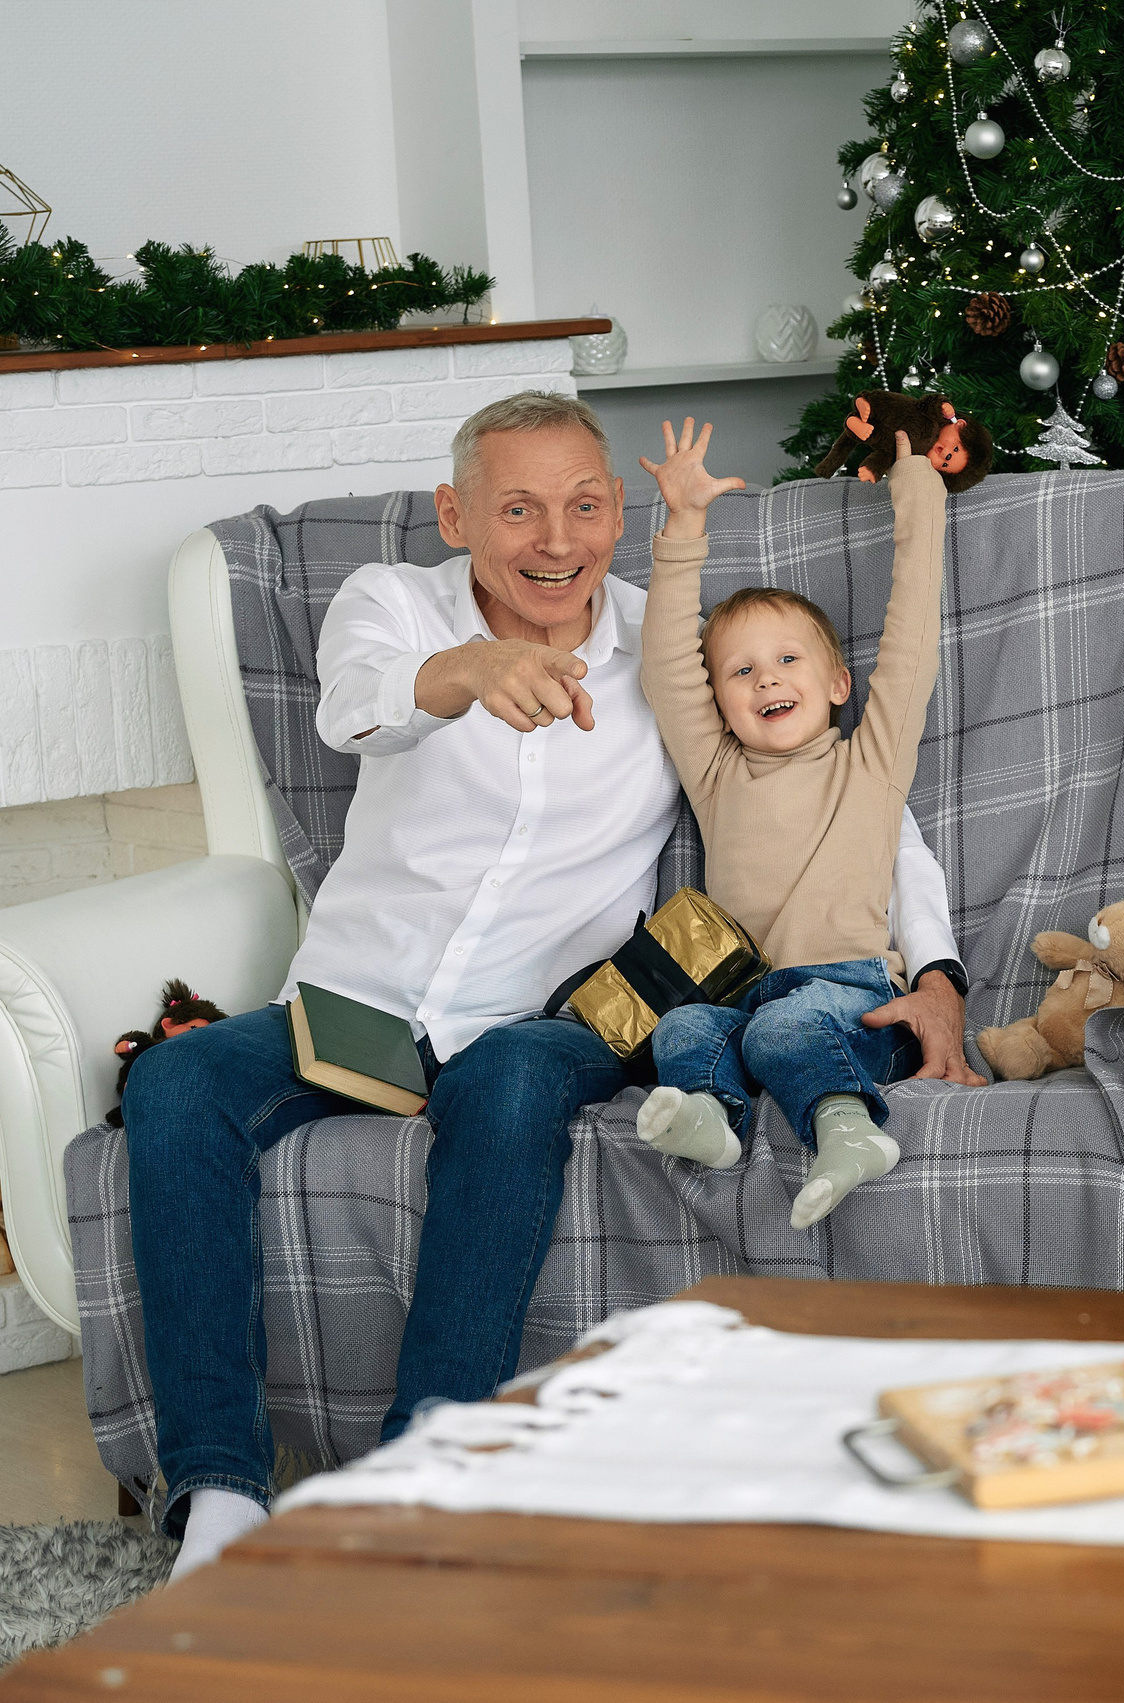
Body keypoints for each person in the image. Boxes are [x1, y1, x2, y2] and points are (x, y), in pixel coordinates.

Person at [122, 391, 978, 1580]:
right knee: (175, 1081)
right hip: (359, 1000)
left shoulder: (672, 648)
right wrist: (466, 671)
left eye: (583, 505)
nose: (555, 540)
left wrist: (935, 972)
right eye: (517, 508)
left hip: (556, 1014)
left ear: (617, 513)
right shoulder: (392, 603)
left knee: (515, 1077)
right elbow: (353, 708)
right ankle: (220, 1492)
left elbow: (862, 807)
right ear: (454, 512)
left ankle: (426, 1467)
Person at [632, 418, 948, 1230]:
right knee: (685, 1027)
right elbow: (667, 669)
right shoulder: (717, 773)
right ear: (721, 704)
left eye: (787, 660)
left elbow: (912, 637)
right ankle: (711, 1120)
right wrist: (684, 528)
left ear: (840, 683)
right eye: (740, 670)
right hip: (744, 996)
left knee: (790, 1023)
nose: (765, 678)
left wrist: (919, 497)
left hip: (851, 991)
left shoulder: (870, 764)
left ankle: (850, 1132)